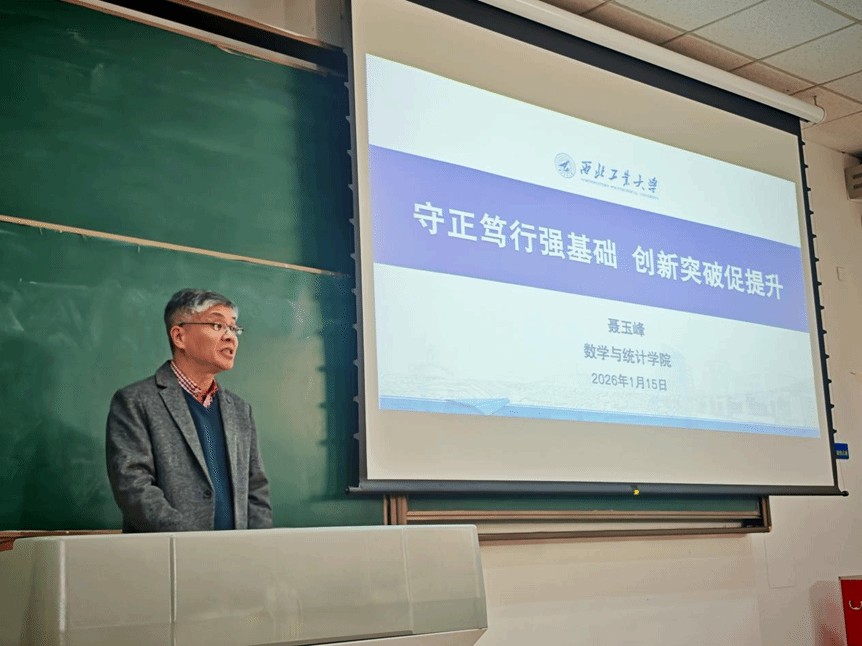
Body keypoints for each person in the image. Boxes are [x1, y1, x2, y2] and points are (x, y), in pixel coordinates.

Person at [106, 289, 272, 532]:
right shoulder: (135, 401)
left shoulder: (240, 410)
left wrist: (257, 545)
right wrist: (192, 545)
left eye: (234, 328)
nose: (230, 337)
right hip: (169, 553)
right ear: (179, 336)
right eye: (217, 325)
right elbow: (133, 487)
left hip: (238, 553)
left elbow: (256, 490)